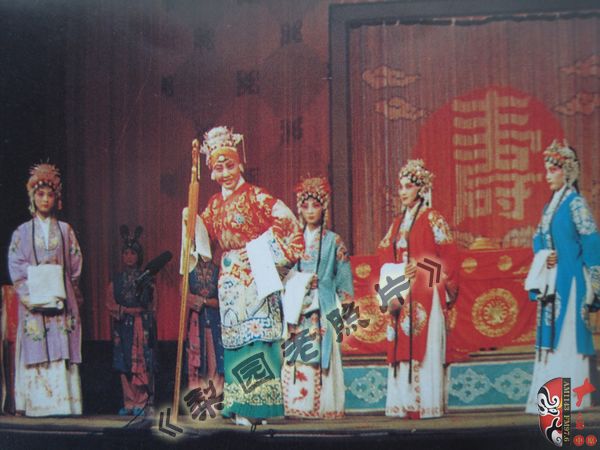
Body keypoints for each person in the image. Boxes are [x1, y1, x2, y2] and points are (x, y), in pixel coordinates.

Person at [183, 126, 304, 425]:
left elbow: (288, 223)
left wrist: (262, 249)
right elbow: (204, 241)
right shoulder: (215, 204)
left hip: (256, 271)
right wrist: (191, 219)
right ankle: (239, 404)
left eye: (230, 166)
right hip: (229, 279)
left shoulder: (257, 196)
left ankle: (257, 407)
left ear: (239, 164)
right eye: (219, 168)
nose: (225, 173)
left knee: (257, 339)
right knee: (235, 341)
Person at [377, 159, 459, 419]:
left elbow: (450, 258)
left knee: (425, 345)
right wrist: (398, 270)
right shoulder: (397, 222)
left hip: (426, 290)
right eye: (401, 186)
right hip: (402, 291)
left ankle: (426, 404)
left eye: (409, 186)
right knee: (402, 342)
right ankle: (405, 403)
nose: (403, 192)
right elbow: (383, 252)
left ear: (421, 189)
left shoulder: (433, 218)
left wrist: (421, 267)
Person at [525, 140, 600, 414]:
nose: (547, 176)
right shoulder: (550, 207)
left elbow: (591, 242)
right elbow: (538, 238)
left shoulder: (575, 204)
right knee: (552, 336)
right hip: (553, 280)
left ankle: (570, 397)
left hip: (572, 281)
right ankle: (551, 397)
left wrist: (595, 281)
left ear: (567, 172)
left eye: (553, 170)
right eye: (546, 170)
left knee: (568, 336)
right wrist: (545, 255)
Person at [8, 163, 83, 417]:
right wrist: (32, 290)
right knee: (37, 344)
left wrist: (65, 288)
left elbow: (75, 263)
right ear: (33, 197)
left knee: (61, 345)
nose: (45, 199)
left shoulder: (64, 230)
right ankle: (38, 405)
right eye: (40, 194)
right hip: (35, 300)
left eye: (50, 195)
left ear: (56, 199)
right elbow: (16, 263)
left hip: (60, 297)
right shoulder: (22, 232)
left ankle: (63, 404)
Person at [282, 176, 354, 419]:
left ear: (324, 207)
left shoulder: (334, 240)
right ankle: (298, 406)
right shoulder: (293, 241)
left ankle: (323, 406)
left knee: (321, 352)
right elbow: (283, 272)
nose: (311, 211)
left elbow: (343, 276)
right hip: (298, 306)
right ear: (299, 209)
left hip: (323, 303)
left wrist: (346, 306)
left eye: (316, 205)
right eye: (305, 206)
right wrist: (299, 280)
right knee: (298, 353)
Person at [106, 225, 157, 416]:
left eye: (133, 253)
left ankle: (142, 402)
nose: (129, 257)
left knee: (142, 363)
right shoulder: (117, 280)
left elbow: (153, 305)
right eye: (125, 253)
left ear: (139, 256)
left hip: (141, 325)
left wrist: (145, 317)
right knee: (125, 365)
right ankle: (128, 402)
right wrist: (123, 311)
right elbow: (110, 302)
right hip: (123, 326)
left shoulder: (147, 279)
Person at [184, 257, 224, 402]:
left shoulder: (219, 270)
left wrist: (205, 301)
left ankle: (214, 398)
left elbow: (224, 298)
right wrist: (193, 300)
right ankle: (199, 398)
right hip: (196, 321)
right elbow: (184, 295)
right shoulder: (189, 270)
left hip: (215, 321)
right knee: (197, 361)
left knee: (215, 360)